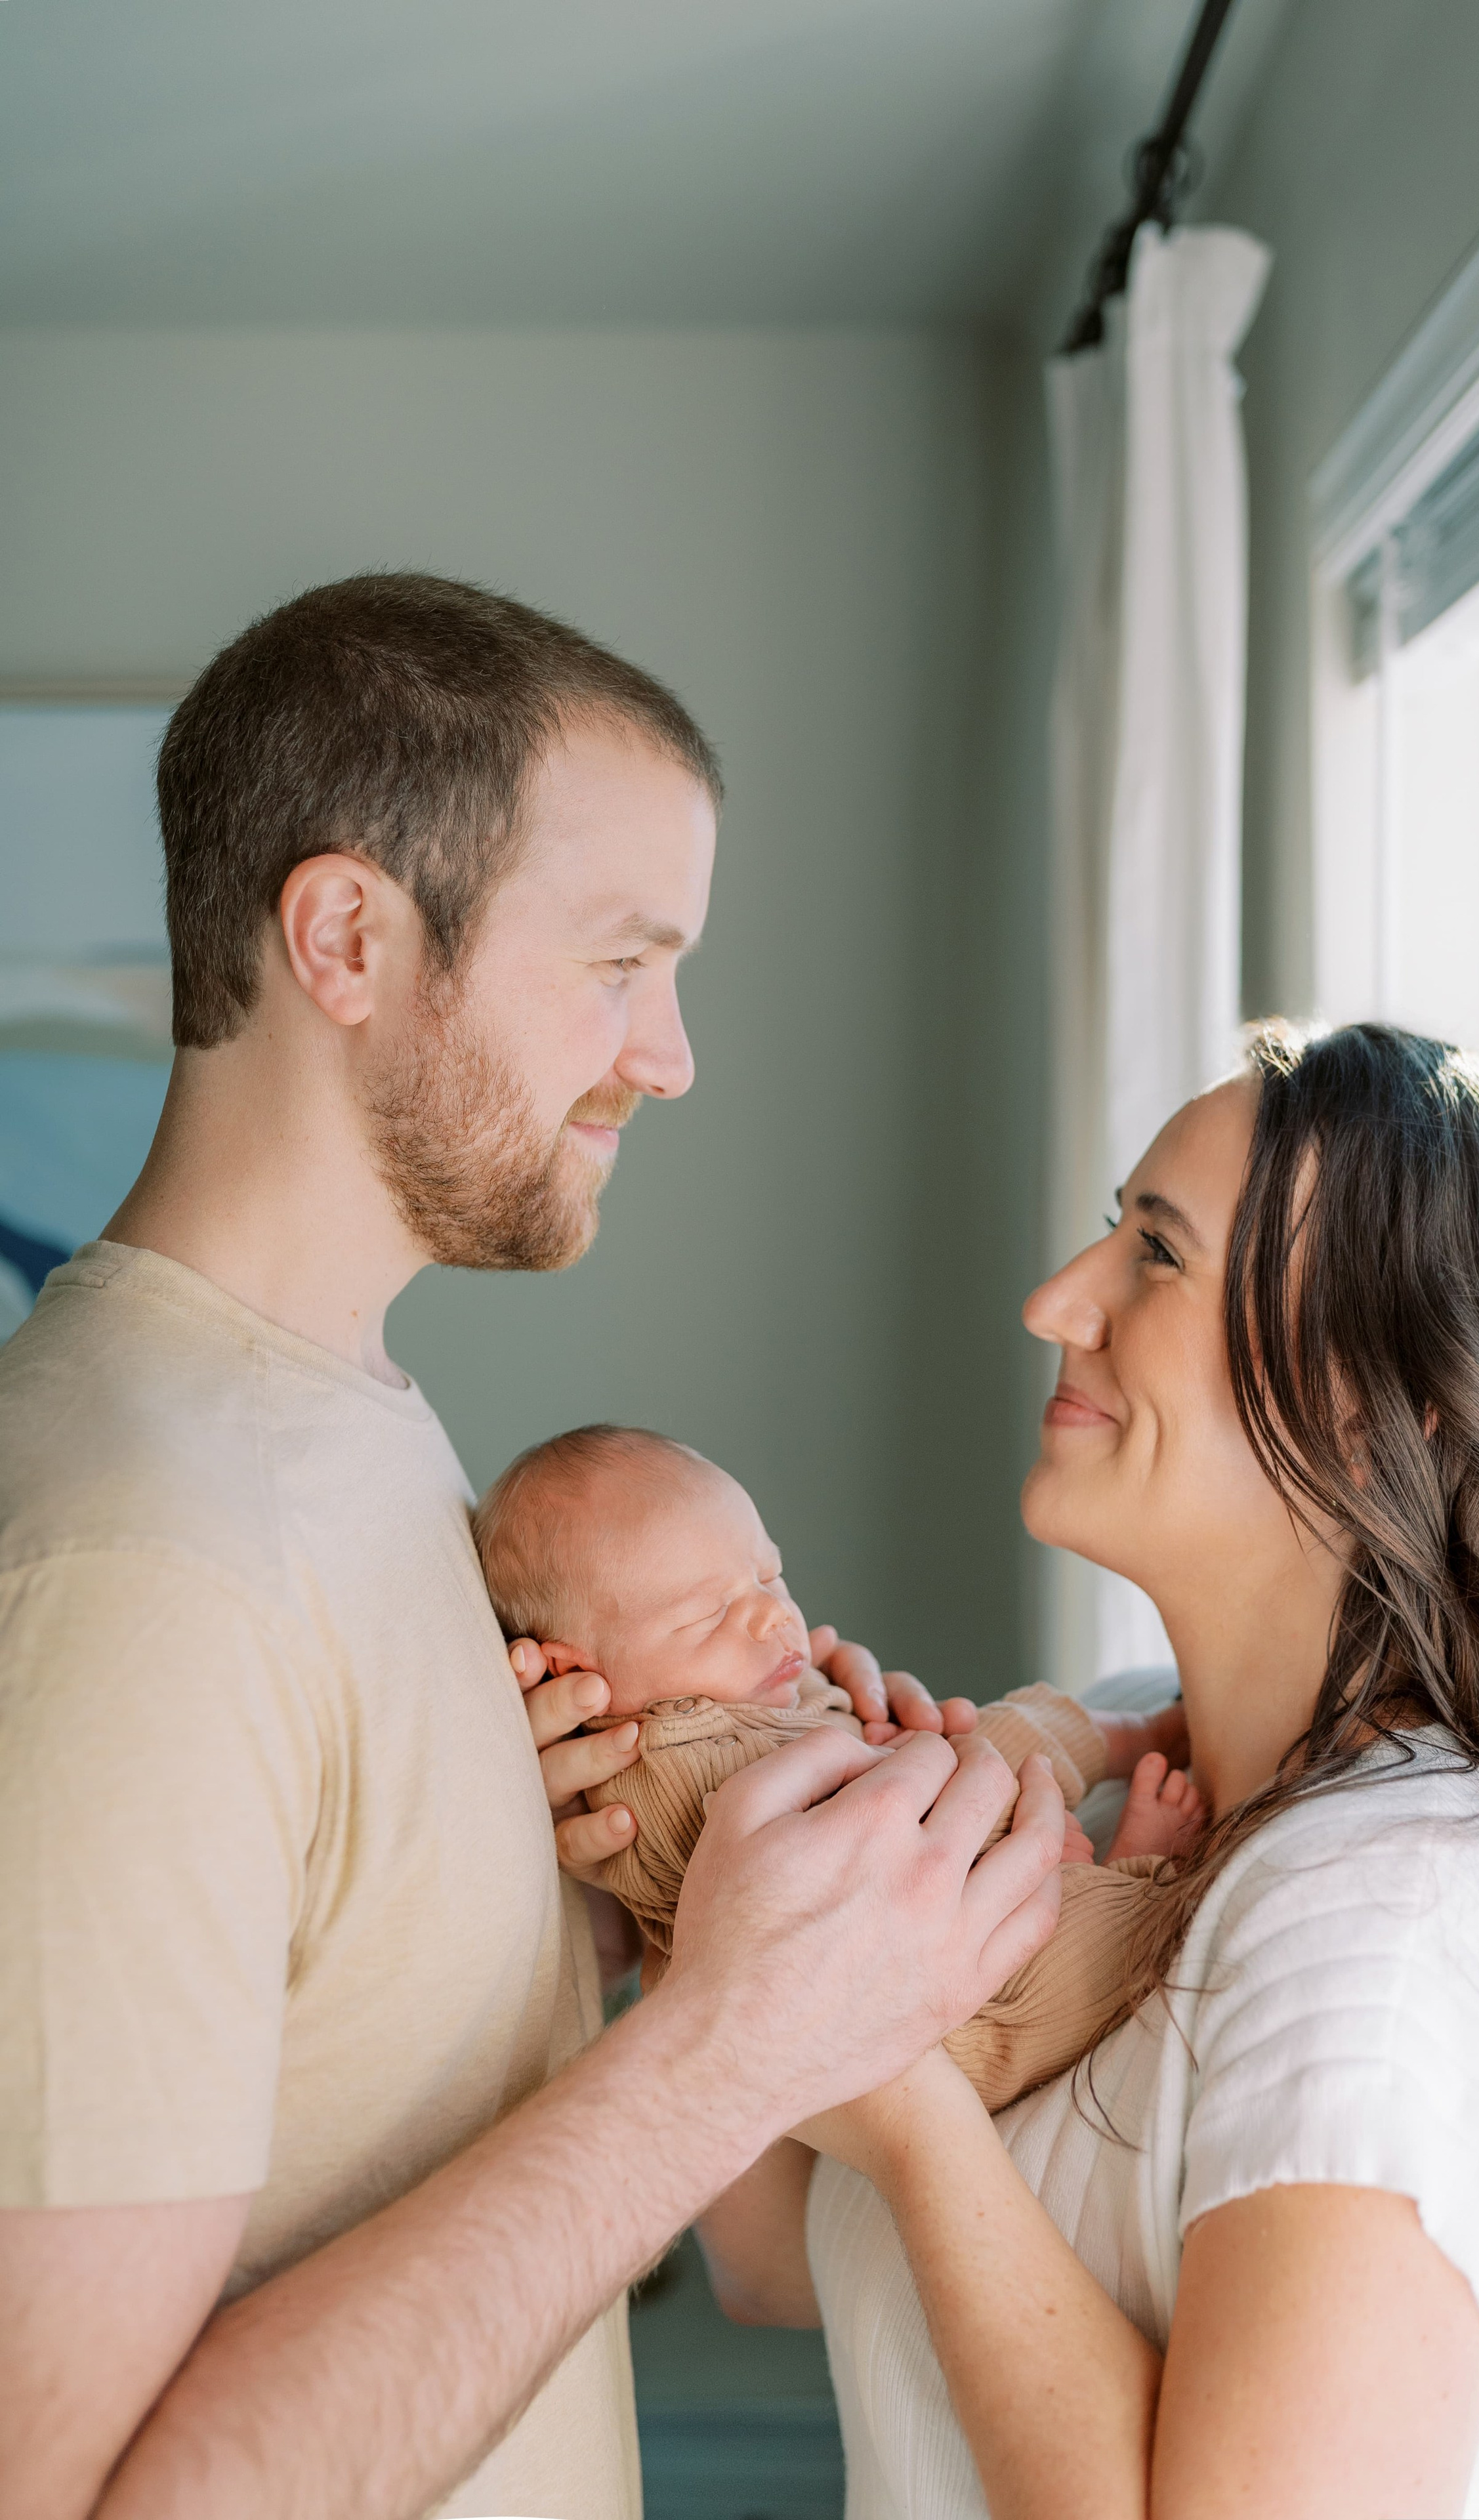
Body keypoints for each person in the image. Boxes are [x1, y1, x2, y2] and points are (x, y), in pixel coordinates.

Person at [0, 572, 1068, 2520]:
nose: (667, 1054)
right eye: (617, 961)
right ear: (346, 936)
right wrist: (736, 2041)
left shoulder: (352, 1433)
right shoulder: (141, 1555)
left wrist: (597, 1913)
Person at [696, 1024, 1479, 2520]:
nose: (1053, 1299)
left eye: (1154, 1252)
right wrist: (675, 1822)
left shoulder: (1396, 1930)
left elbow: (893, 2141)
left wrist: (910, 2103)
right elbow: (778, 2257)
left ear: (1378, 1402)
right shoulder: (1110, 1765)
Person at [476, 1421, 1201, 2109]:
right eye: (705, 1615)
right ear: (578, 1671)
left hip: (929, 1880)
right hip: (952, 2012)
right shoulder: (654, 1766)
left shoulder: (719, 1693)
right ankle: (1134, 1874)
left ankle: (1146, 1732)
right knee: (1068, 1946)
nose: (771, 1617)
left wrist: (832, 1694)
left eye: (769, 1575)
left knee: (999, 1733)